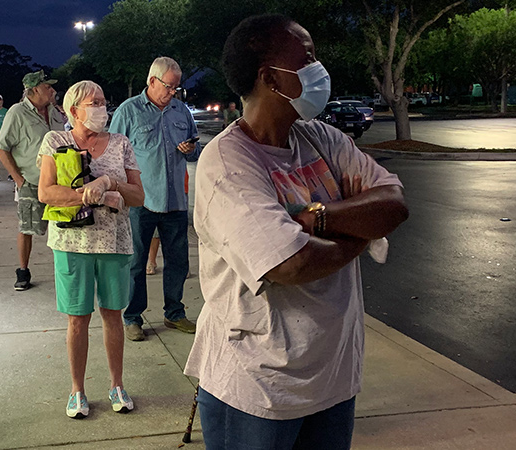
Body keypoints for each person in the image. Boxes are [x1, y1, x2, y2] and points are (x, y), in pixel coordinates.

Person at [185, 14, 409, 449]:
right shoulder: (229, 163)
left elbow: (394, 204)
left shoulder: (323, 139)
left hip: (333, 377)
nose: (318, 68)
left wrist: (318, 219)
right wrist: (358, 234)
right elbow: (290, 263)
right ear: (270, 78)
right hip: (258, 388)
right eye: (306, 59)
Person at [36, 80, 145, 419]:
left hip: (114, 242)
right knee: (77, 318)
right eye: (92, 103)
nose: (101, 108)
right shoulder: (56, 141)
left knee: (113, 314)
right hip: (72, 243)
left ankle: (116, 384)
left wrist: (111, 184)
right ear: (73, 111)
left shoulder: (121, 143)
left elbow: (139, 197)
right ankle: (77, 390)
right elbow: (46, 193)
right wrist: (89, 195)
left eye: (102, 101)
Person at [109, 56, 201, 341]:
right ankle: (133, 317)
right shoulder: (129, 111)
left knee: (178, 261)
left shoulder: (180, 111)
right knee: (136, 263)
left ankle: (174, 313)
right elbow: (112, 155)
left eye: (176, 88)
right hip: (141, 202)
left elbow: (196, 150)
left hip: (175, 200)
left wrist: (189, 150)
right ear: (152, 81)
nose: (173, 92)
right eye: (169, 86)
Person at [0, 70, 66, 291]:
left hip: (58, 181)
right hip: (31, 181)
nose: (52, 90)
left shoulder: (54, 111)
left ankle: (64, 270)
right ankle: (23, 270)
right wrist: (18, 179)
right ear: (35, 90)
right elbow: (1, 147)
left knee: (63, 226)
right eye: (48, 87)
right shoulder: (17, 112)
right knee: (27, 227)